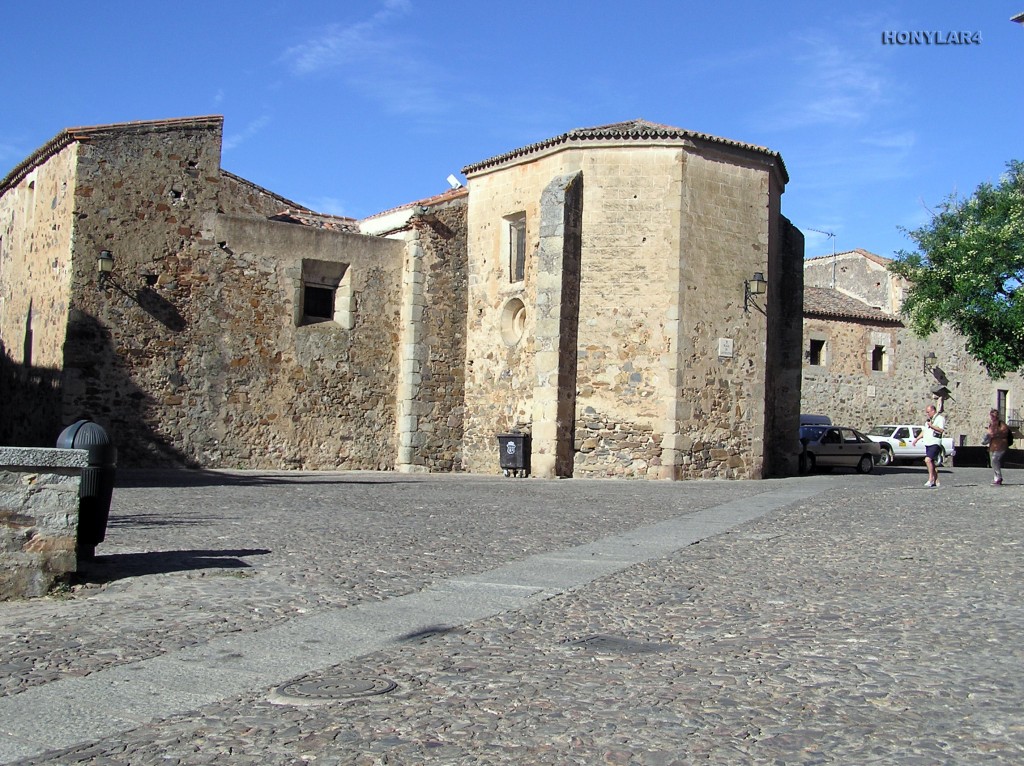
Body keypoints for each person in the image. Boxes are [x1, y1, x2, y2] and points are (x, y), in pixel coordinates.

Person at [912, 403, 946, 488]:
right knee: (931, 463)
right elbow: (924, 431)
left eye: (928, 412)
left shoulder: (940, 419)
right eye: (926, 412)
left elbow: (941, 430)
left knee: (927, 460)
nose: (927, 414)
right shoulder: (928, 421)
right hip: (928, 443)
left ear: (933, 411)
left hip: (935, 442)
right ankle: (936, 479)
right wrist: (916, 439)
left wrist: (932, 426)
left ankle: (930, 479)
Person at [984, 409, 1011, 486]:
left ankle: (999, 477)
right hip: (993, 446)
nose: (992, 417)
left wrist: (995, 434)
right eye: (991, 415)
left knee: (995, 459)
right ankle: (996, 478)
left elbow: (1005, 432)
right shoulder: (991, 424)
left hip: (1001, 446)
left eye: (994, 415)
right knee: (993, 463)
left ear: (997, 415)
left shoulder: (1001, 424)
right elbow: (989, 433)